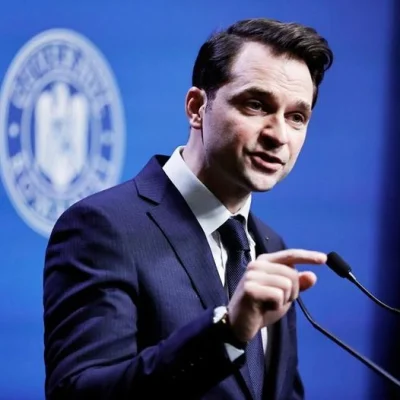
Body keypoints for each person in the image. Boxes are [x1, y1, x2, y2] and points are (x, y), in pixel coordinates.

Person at [43, 17, 333, 400]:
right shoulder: (104, 228)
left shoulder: (270, 246)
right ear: (197, 108)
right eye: (256, 105)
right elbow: (79, 393)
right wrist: (226, 332)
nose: (278, 135)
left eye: (296, 117)